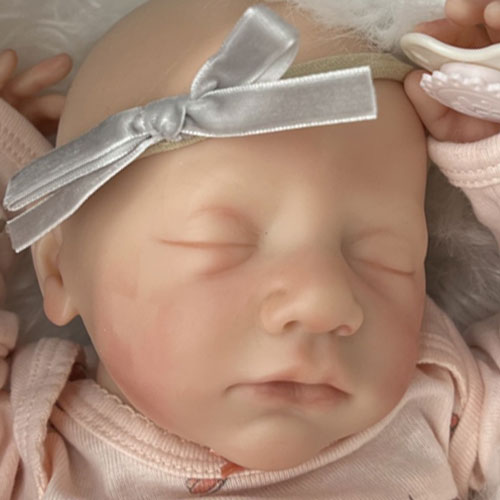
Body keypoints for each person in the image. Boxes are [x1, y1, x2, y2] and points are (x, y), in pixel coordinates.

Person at [0, 0, 499, 498]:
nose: (323, 301)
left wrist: (488, 156)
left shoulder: (442, 401)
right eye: (219, 241)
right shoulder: (31, 444)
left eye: (386, 256)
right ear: (59, 267)